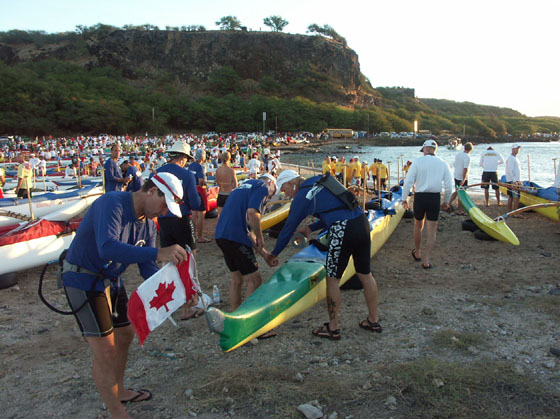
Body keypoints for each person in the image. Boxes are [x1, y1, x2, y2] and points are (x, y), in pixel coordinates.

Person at [62, 172, 192, 419]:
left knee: (125, 334)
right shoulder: (113, 203)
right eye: (164, 205)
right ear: (152, 191)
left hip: (111, 278)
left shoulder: (148, 223)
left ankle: (119, 390)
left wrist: (178, 292)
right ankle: (116, 411)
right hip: (84, 278)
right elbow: (107, 246)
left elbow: (148, 270)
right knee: (106, 349)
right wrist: (158, 253)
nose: (164, 212)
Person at [266, 170, 382, 340]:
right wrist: (310, 228)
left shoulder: (302, 196)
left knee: (332, 278)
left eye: (284, 189)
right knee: (365, 274)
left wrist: (273, 254)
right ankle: (373, 320)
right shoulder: (321, 180)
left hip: (342, 229)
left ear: (292, 183)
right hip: (362, 223)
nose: (285, 193)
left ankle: (333, 328)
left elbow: (288, 229)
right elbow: (336, 208)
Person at [214, 175, 277, 315]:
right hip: (236, 237)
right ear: (271, 182)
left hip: (221, 235)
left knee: (237, 279)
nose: (270, 197)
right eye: (273, 192)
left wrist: (265, 254)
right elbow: (253, 213)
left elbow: (248, 231)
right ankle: (249, 320)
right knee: (255, 280)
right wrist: (261, 236)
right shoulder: (263, 186)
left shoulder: (241, 188)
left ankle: (235, 316)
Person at [155, 141, 202, 319]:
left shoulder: (158, 173)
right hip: (182, 219)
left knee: (167, 261)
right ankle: (190, 304)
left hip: (163, 220)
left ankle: (171, 301)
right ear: (183, 158)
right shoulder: (187, 175)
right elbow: (195, 203)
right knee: (190, 260)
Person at [401, 139, 453, 269]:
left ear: (425, 149)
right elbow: (449, 185)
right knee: (432, 229)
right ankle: (427, 260)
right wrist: (446, 201)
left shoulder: (418, 162)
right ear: (434, 149)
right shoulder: (443, 163)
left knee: (418, 225)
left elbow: (408, 182)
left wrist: (404, 198)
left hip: (420, 196)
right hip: (434, 197)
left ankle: (418, 252)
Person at [188, 148, 210, 243]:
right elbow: (201, 181)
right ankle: (200, 236)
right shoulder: (200, 167)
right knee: (201, 213)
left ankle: (194, 234)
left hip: (192, 189)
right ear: (202, 157)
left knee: (194, 213)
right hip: (199, 190)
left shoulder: (191, 165)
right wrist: (205, 186)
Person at [448, 142, 473, 215]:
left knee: (457, 191)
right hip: (461, 176)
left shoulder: (458, 154)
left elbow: (455, 164)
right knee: (461, 194)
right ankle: (459, 210)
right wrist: (464, 178)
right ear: (470, 149)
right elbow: (465, 169)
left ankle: (448, 203)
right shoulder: (467, 157)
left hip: (456, 175)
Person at [215, 151, 238, 217]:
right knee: (230, 216)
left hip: (221, 194)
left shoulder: (218, 170)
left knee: (220, 216)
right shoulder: (231, 171)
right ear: (229, 159)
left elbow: (217, 182)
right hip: (229, 194)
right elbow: (236, 185)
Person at [505, 144, 522, 214]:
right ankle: (515, 212)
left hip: (516, 180)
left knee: (512, 196)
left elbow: (517, 170)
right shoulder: (511, 158)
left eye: (518, 149)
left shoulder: (515, 158)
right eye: (516, 149)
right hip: (513, 180)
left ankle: (510, 211)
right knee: (516, 196)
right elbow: (510, 170)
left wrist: (519, 180)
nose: (517, 150)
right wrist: (514, 181)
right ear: (512, 149)